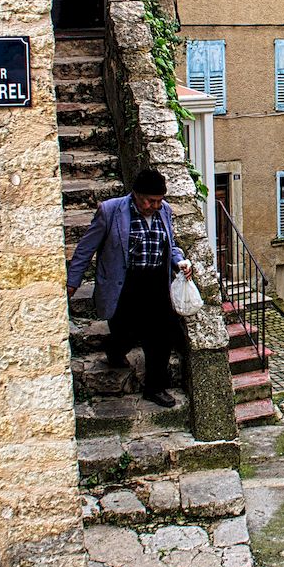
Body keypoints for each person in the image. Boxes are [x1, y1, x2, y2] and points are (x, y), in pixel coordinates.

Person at [67, 167, 193, 408]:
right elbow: (85, 248)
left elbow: (170, 244)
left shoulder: (164, 211)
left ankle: (155, 388)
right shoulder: (110, 211)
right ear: (136, 194)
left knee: (161, 335)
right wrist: (73, 282)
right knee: (126, 332)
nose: (156, 206)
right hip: (124, 283)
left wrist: (179, 261)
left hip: (156, 282)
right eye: (151, 201)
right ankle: (114, 349)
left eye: (159, 200)